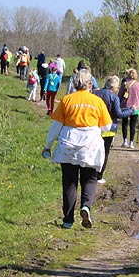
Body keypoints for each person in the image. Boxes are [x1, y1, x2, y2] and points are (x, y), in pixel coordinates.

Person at [42, 69, 112, 229]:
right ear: (90, 84)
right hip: (90, 146)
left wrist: (47, 146)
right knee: (90, 179)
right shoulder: (97, 101)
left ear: (75, 83)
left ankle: (67, 220)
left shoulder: (67, 100)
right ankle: (86, 206)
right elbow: (107, 126)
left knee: (69, 182)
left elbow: (56, 126)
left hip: (68, 145)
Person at [94, 76, 137, 184]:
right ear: (112, 87)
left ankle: (90, 173)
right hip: (108, 128)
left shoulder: (95, 94)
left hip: (95, 127)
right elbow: (119, 114)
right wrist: (131, 110)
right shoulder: (114, 97)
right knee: (105, 152)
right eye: (117, 87)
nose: (117, 89)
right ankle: (99, 176)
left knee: (94, 151)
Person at [118, 68, 139, 149]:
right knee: (133, 125)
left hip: (125, 106)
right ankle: (131, 143)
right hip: (136, 107)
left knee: (125, 124)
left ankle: (124, 141)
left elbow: (119, 95)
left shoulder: (125, 84)